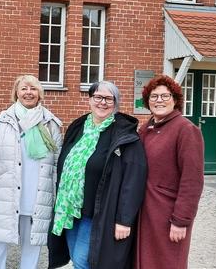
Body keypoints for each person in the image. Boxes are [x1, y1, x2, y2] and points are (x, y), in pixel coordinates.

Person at [48, 81, 147, 269]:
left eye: (109, 98)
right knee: (75, 258)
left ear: (116, 103)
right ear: (90, 100)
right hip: (70, 209)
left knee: (83, 261)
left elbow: (133, 181)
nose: (103, 102)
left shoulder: (124, 135)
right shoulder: (78, 127)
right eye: (98, 97)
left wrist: (124, 220)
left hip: (98, 214)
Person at [0, 74, 62, 269]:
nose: (28, 93)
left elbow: (57, 166)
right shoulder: (2, 122)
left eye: (33, 88)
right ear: (16, 92)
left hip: (37, 198)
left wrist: (56, 201)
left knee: (31, 251)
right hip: (4, 197)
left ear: (39, 93)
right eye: (24, 88)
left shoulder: (51, 124)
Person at [135, 75, 204, 269]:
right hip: (145, 213)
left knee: (167, 263)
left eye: (165, 96)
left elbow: (192, 180)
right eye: (154, 96)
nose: (159, 101)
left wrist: (181, 220)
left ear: (175, 100)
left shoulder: (186, 130)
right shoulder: (145, 129)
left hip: (168, 214)